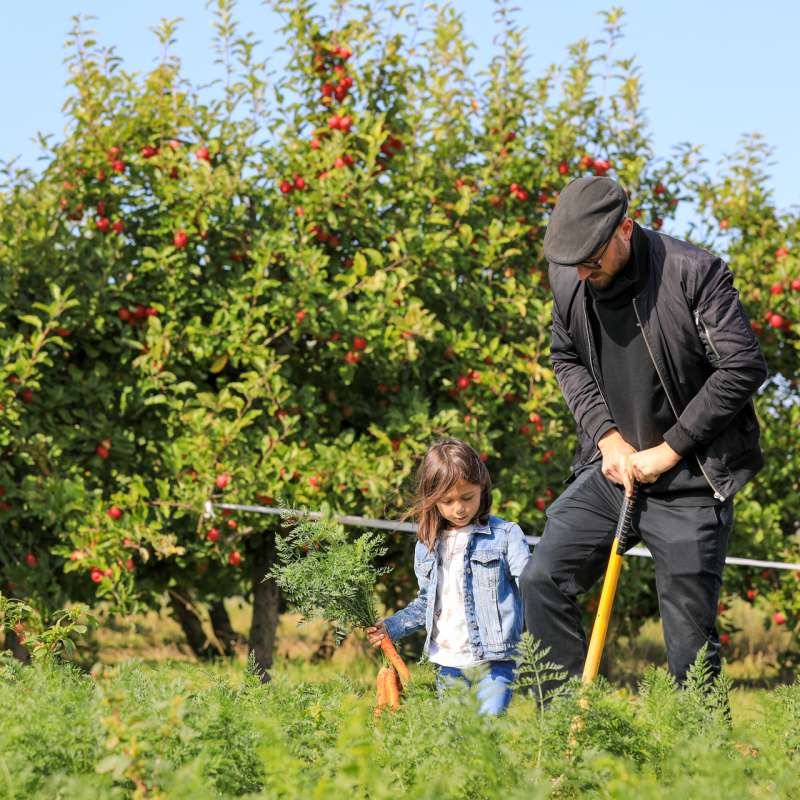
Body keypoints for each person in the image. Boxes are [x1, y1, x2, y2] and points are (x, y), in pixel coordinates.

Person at [520, 176, 767, 687]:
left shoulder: (693, 273)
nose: (584, 272)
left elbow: (742, 367)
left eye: (593, 259)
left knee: (688, 646)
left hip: (691, 483)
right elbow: (566, 358)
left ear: (625, 229)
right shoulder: (570, 277)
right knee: (542, 579)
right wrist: (607, 438)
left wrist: (669, 450)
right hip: (612, 472)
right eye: (574, 263)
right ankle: (564, 740)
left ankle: (701, 764)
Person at [366, 438, 531, 715]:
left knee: (486, 733)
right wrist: (390, 628)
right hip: (448, 663)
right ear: (433, 500)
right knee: (456, 742)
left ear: (482, 487)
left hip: (494, 660)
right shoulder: (428, 544)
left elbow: (531, 584)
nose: (459, 508)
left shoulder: (505, 535)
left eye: (467, 497)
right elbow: (425, 605)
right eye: (448, 501)